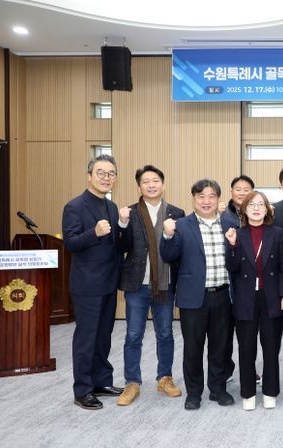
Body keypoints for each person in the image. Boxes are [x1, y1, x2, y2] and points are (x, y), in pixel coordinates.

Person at [160, 179, 235, 410]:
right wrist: (167, 236)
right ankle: (194, 393)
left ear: (218, 199)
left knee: (220, 346)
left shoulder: (230, 224)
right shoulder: (182, 225)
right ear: (193, 199)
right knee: (193, 348)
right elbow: (168, 255)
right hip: (193, 297)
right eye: (201, 196)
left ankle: (218, 389)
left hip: (223, 295)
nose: (206, 201)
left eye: (211, 196)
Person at [116, 165, 185, 406]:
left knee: (165, 333)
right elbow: (121, 247)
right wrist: (122, 224)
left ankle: (165, 378)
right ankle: (132, 382)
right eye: (146, 182)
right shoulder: (130, 212)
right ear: (139, 187)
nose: (151, 185)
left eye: (155, 180)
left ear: (163, 185)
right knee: (133, 335)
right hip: (137, 284)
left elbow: (179, 249)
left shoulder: (176, 212)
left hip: (165, 284)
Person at [62, 154, 125, 410]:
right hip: (87, 285)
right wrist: (94, 233)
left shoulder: (112, 206)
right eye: (101, 173)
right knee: (86, 338)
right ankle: (83, 390)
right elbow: (70, 243)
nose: (106, 178)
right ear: (89, 176)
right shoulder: (75, 206)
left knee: (103, 336)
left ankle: (101, 381)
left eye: (111, 173)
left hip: (109, 281)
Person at [224, 191, 283, 411]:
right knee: (246, 349)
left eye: (260, 204)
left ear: (267, 209)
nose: (256, 208)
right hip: (245, 298)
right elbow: (232, 267)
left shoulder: (277, 233)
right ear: (244, 209)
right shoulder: (236, 233)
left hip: (271, 296)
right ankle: (248, 393)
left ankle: (271, 392)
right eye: (251, 204)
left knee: (271, 348)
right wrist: (232, 245)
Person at [219, 174, 255, 386]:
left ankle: (249, 371)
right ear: (231, 192)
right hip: (227, 279)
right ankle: (225, 368)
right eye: (238, 189)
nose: (242, 193)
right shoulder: (223, 215)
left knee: (247, 333)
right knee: (224, 331)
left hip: (249, 282)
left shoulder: (257, 212)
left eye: (246, 189)